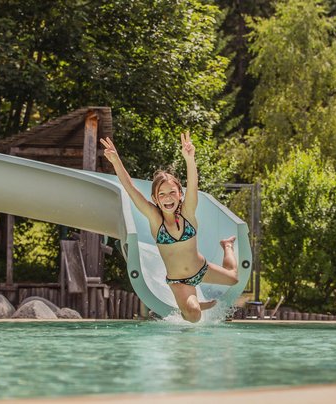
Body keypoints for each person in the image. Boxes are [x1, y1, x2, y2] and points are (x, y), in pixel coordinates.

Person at [100, 132, 238, 323]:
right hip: (180, 282)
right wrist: (116, 161)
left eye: (172, 192)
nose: (167, 197)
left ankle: (227, 246)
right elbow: (131, 190)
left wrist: (190, 159)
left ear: (180, 194)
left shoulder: (188, 214)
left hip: (202, 269)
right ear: (155, 199)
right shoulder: (156, 221)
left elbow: (193, 185)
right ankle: (192, 306)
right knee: (193, 315)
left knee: (233, 278)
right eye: (162, 194)